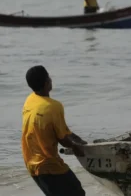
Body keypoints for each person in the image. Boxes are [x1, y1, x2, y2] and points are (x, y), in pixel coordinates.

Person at [22, 65, 87, 196]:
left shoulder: (30, 100)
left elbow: (59, 130)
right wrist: (75, 148)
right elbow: (63, 139)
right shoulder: (54, 107)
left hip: (30, 162)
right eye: (49, 77)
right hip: (49, 165)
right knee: (77, 192)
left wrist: (79, 140)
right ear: (47, 82)